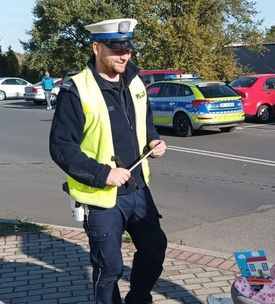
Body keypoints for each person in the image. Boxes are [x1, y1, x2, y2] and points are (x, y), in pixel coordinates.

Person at [49, 18, 167, 304]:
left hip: (138, 189)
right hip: (101, 197)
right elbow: (61, 147)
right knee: (109, 267)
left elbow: (145, 121)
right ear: (96, 47)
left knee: (154, 249)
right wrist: (104, 174)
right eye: (116, 49)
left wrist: (153, 139)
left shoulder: (135, 81)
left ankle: (138, 299)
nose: (123, 55)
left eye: (126, 49)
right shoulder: (76, 89)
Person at [207, 247, 275, 304]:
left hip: (255, 297)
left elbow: (259, 297)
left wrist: (241, 283)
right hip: (260, 289)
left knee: (236, 290)